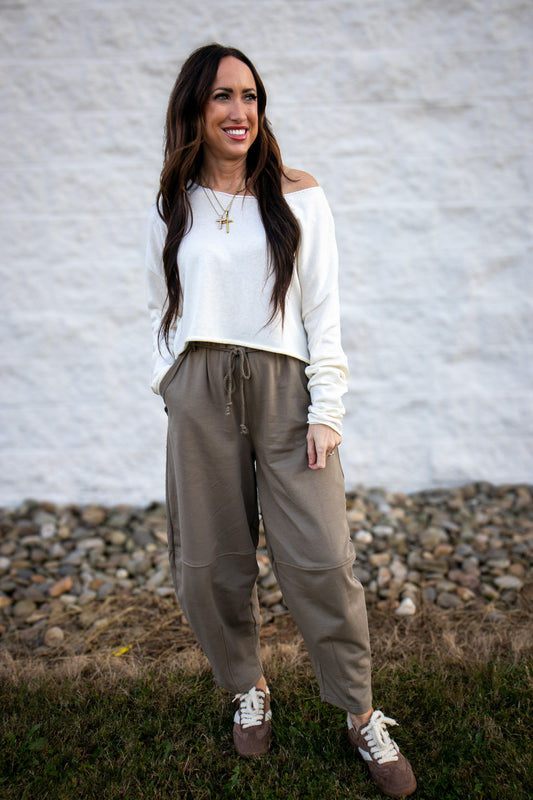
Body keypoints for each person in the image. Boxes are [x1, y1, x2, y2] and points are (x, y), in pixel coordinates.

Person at [146, 43, 416, 798]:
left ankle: (359, 711)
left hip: (285, 386)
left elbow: (322, 310)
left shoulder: (299, 195)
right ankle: (247, 685)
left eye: (251, 97)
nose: (239, 112)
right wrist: (169, 380)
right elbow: (158, 303)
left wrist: (326, 407)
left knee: (322, 559)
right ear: (195, 110)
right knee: (207, 562)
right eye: (223, 98)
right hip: (199, 387)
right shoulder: (172, 200)